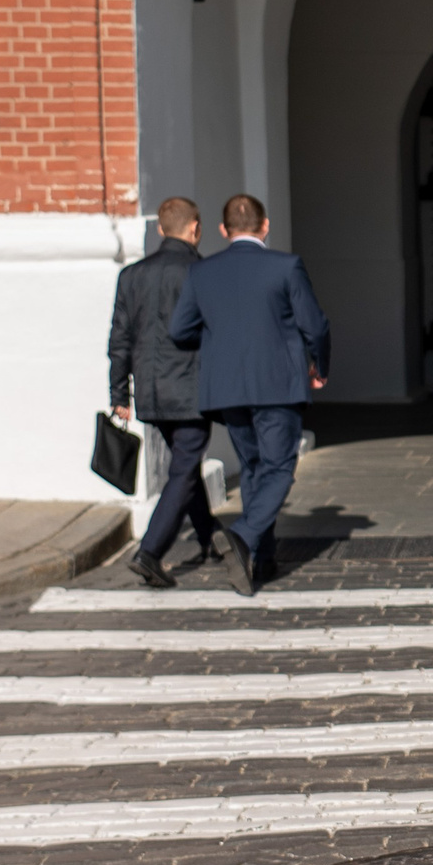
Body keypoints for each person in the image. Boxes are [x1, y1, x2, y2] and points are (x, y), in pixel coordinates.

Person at [167, 193, 332, 597]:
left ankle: (262, 556)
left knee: (255, 468)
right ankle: (242, 536)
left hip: (226, 387)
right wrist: (319, 366)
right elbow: (316, 325)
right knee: (278, 469)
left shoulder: (203, 272)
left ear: (223, 230)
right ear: (266, 225)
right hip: (277, 382)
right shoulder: (286, 266)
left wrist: (217, 343)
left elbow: (179, 330)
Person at [108, 196, 220, 589]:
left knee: (183, 467)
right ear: (195, 229)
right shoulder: (203, 272)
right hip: (190, 389)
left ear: (160, 229)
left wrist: (119, 393)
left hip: (152, 391)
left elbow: (119, 339)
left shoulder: (132, 275)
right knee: (184, 469)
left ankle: (211, 536)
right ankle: (151, 552)